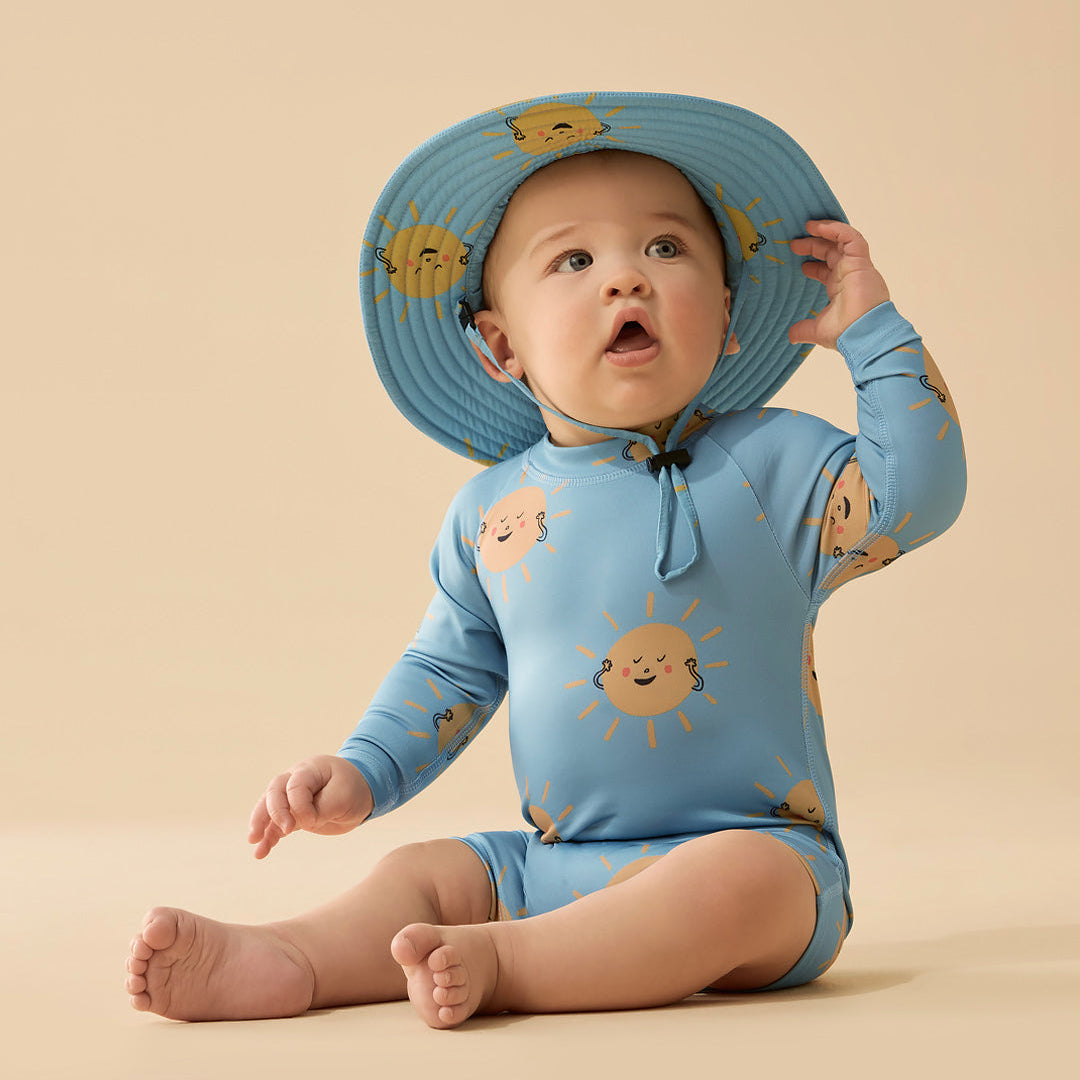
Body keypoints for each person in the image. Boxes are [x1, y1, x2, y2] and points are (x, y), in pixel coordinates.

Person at [125, 92, 966, 1029]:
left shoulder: (774, 464)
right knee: (432, 875)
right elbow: (449, 668)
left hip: (767, 860)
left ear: (728, 316)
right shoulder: (492, 513)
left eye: (667, 250)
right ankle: (293, 956)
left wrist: (874, 333)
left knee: (736, 883)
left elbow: (914, 496)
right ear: (500, 345)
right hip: (557, 865)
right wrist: (363, 770)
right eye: (575, 260)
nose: (627, 282)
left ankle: (512, 966)